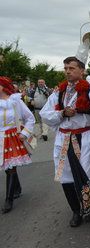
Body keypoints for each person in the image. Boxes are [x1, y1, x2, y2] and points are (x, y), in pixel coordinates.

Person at [40, 56, 90, 227]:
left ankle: (89, 206)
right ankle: (75, 210)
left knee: (84, 172)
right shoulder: (59, 92)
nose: (68, 71)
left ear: (82, 70)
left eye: (71, 68)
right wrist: (62, 113)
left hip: (83, 136)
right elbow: (45, 114)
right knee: (65, 175)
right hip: (63, 137)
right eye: (66, 68)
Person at [0, 76, 35, 213]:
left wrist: (25, 133)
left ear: (3, 86)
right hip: (0, 137)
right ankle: (17, 187)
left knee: (10, 167)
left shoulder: (15, 101)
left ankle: (8, 199)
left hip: (13, 136)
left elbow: (30, 118)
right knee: (8, 166)